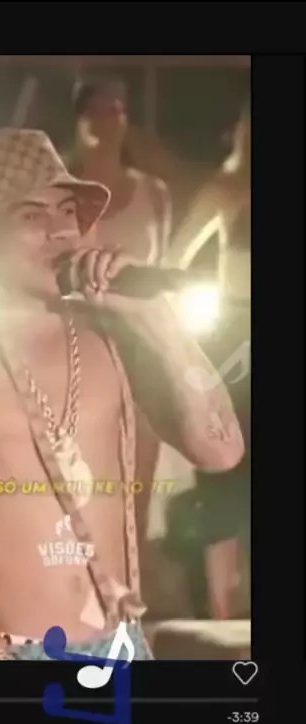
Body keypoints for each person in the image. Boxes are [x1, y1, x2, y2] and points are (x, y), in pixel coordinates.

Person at [0, 128, 244, 661]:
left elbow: (222, 450)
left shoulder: (115, 335)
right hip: (8, 654)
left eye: (68, 211)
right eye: (32, 216)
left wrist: (159, 321)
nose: (61, 231)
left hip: (121, 651)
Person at [67, 78, 173, 551]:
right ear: (79, 120)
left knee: (140, 473)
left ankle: (134, 573)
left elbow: (161, 265)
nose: (108, 120)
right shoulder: (61, 194)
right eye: (97, 110)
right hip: (79, 342)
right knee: (82, 471)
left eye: (116, 110)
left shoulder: (154, 192)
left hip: (142, 344)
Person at [166, 101, 251, 619]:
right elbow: (174, 259)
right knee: (223, 464)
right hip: (234, 339)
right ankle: (221, 610)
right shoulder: (227, 189)